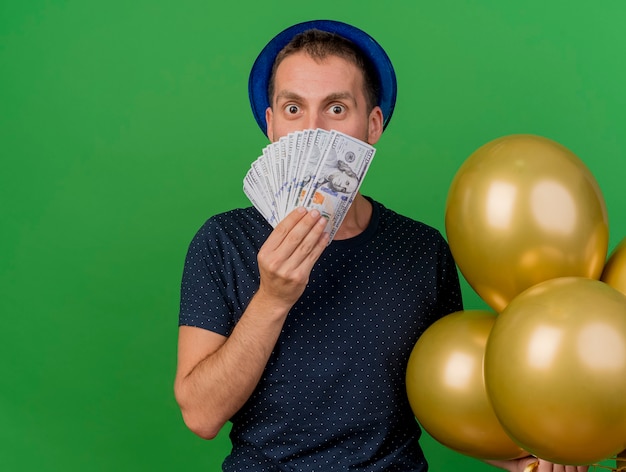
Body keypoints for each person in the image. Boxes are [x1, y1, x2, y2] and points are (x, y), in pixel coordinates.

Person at [174, 20, 588, 472]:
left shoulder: (421, 250)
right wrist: (272, 298)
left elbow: (447, 391)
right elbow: (200, 414)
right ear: (272, 126)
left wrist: (526, 453)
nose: (314, 131)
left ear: (372, 126)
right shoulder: (223, 242)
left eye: (335, 109)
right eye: (293, 109)